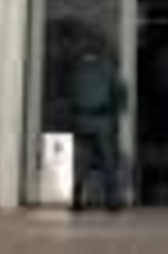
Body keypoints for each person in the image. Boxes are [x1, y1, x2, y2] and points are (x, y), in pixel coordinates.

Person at [69, 44, 126, 211]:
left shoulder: (76, 71)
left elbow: (70, 95)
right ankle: (111, 200)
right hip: (102, 120)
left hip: (81, 120)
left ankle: (77, 199)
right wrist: (115, 112)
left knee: (81, 160)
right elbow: (121, 92)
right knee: (108, 159)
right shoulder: (106, 69)